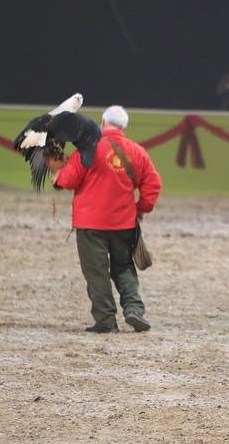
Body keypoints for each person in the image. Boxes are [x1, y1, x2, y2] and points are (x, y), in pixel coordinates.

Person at [46, 106, 162, 334]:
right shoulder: (137, 151)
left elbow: (68, 180)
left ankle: (106, 321)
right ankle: (133, 309)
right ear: (124, 127)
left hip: (90, 224)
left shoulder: (87, 148)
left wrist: (56, 176)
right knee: (124, 267)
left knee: (96, 272)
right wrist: (141, 208)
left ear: (102, 121)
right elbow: (153, 184)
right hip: (124, 223)